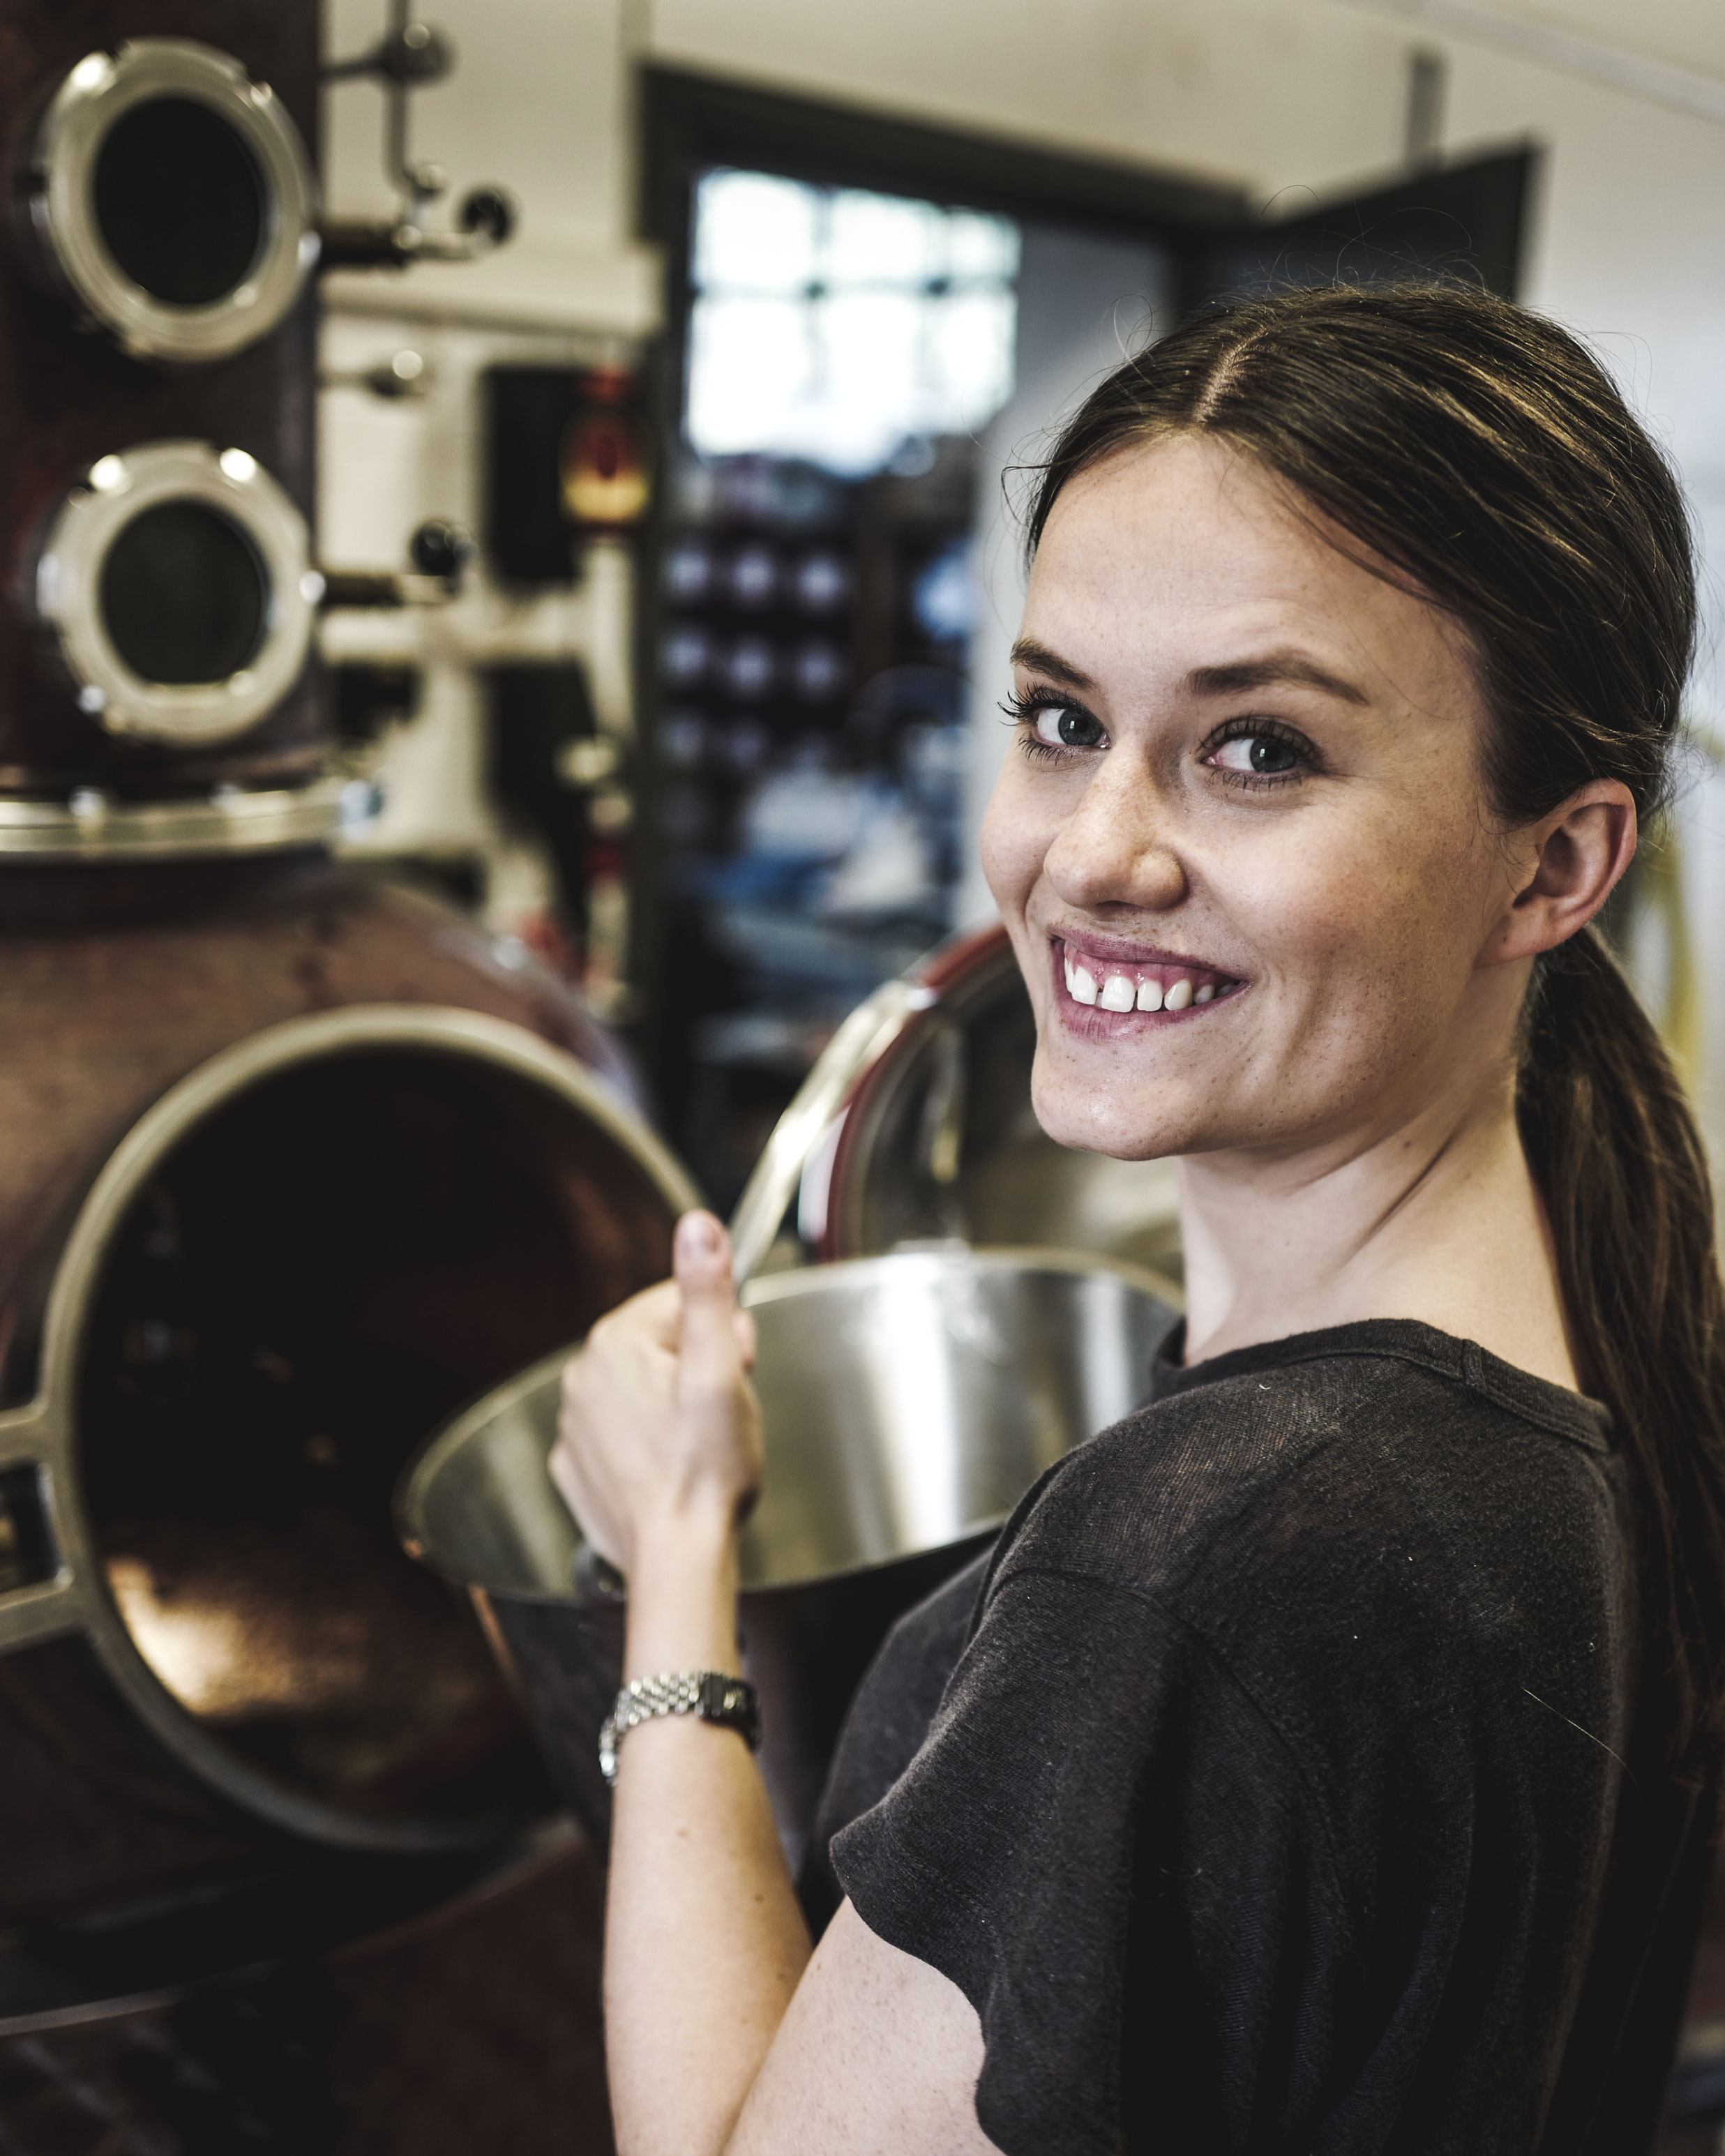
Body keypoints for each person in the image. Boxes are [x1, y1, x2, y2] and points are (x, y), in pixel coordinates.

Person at [551, 282, 1725, 2155]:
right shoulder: (1575, 1376)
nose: (1091, 854)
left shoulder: (1220, 1550)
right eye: (1056, 716)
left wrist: (672, 1561)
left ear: (1555, 859)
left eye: (1257, 747)